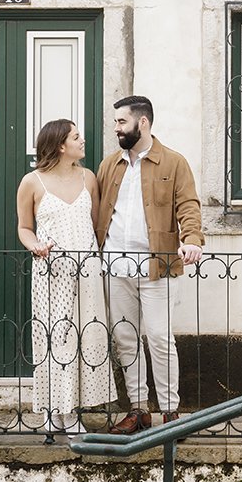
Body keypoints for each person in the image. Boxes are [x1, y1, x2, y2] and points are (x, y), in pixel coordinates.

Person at [95, 95, 204, 434]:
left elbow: (188, 206)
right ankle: (139, 410)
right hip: (115, 267)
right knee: (126, 339)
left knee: (159, 338)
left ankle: (170, 414)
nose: (116, 128)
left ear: (142, 123)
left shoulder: (173, 163)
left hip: (158, 267)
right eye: (116, 122)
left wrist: (192, 240)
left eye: (121, 122)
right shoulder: (109, 165)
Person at [16, 119, 117, 433]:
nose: (82, 140)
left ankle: (71, 411)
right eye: (76, 136)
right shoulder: (31, 182)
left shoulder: (89, 178)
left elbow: (97, 224)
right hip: (51, 273)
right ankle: (50, 409)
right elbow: (23, 227)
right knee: (53, 337)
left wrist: (91, 257)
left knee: (83, 337)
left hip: (86, 270)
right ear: (61, 145)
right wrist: (35, 246)